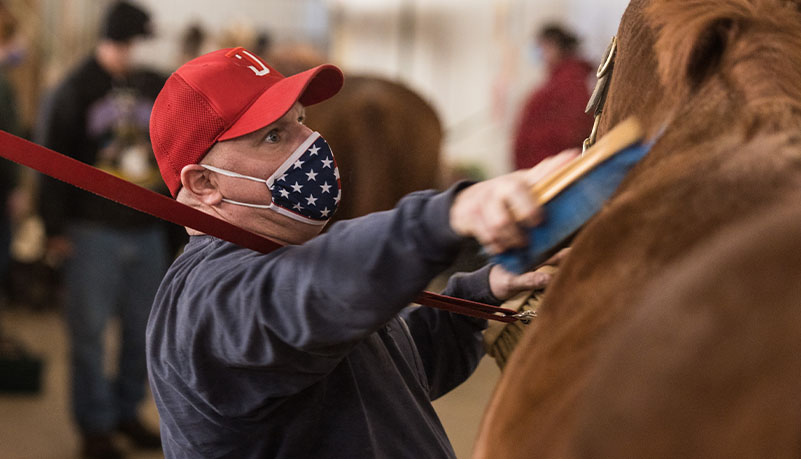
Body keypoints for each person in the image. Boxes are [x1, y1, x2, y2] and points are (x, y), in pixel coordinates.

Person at [146, 47, 576, 458]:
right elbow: (307, 291)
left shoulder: (280, 272)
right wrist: (445, 216)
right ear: (204, 183)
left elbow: (382, 379)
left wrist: (479, 295)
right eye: (274, 136)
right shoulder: (209, 300)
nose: (310, 141)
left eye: (301, 119)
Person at [35, 2, 167, 457]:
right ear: (118, 38)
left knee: (143, 330)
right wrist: (54, 226)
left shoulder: (150, 82)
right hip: (92, 230)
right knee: (89, 334)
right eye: (131, 43)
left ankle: (125, 413)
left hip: (146, 228)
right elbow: (50, 158)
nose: (134, 53)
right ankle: (94, 427)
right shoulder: (75, 88)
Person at [513, 23, 594, 169]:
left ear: (554, 46)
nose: (538, 54)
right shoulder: (557, 79)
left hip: (556, 169)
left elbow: (573, 130)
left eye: (540, 47)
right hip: (542, 169)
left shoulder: (572, 80)